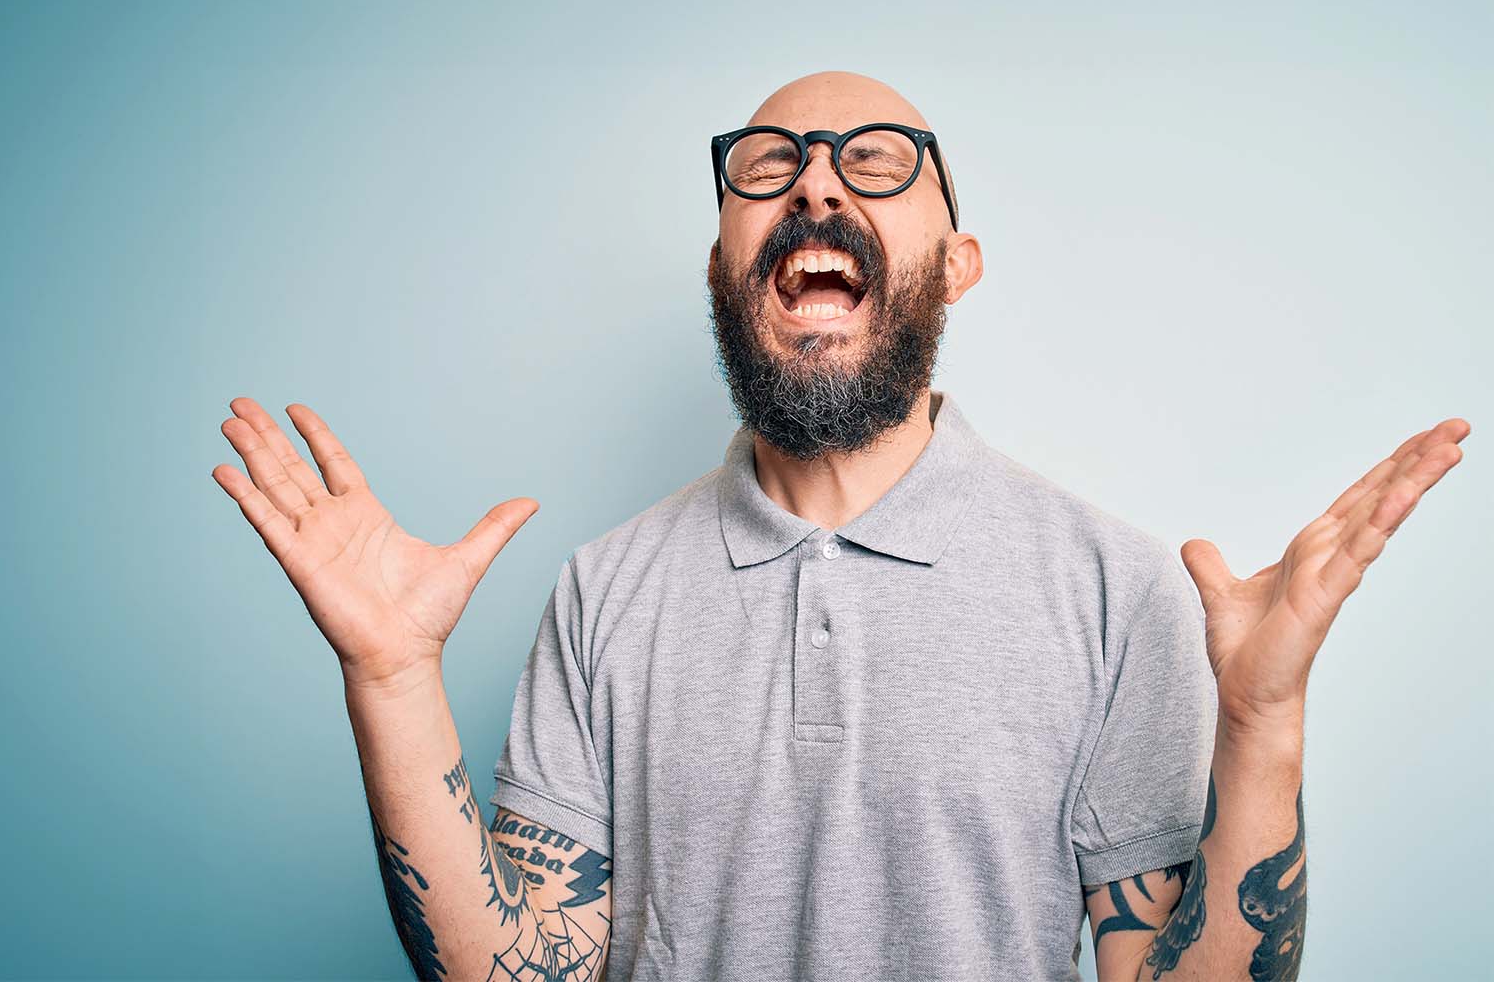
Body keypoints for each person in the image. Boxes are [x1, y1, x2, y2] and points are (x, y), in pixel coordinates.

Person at [208, 70, 1468, 981]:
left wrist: (1262, 729)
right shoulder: (605, 592)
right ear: (725, 259)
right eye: (767, 165)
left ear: (956, 262)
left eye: (874, 161)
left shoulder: (1110, 586)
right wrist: (391, 680)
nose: (813, 180)